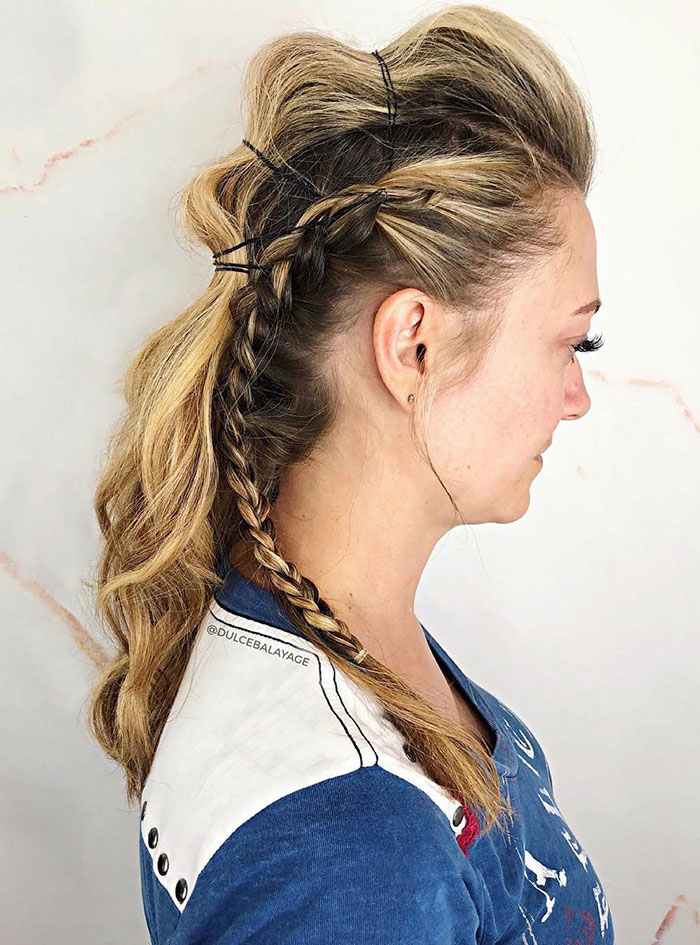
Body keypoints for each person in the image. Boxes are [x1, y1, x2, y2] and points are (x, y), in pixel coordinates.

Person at [86, 5, 614, 942]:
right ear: (413, 343)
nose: (577, 395)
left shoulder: (309, 620)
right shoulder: (348, 861)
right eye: (572, 340)